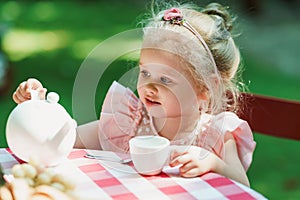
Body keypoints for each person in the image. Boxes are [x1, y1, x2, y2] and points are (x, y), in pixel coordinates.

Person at [12, 2, 256, 186]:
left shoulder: (215, 136)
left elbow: (244, 187)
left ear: (205, 89)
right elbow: (66, 138)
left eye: (165, 80)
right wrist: (40, 108)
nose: (150, 86)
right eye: (145, 72)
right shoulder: (129, 120)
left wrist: (213, 164)